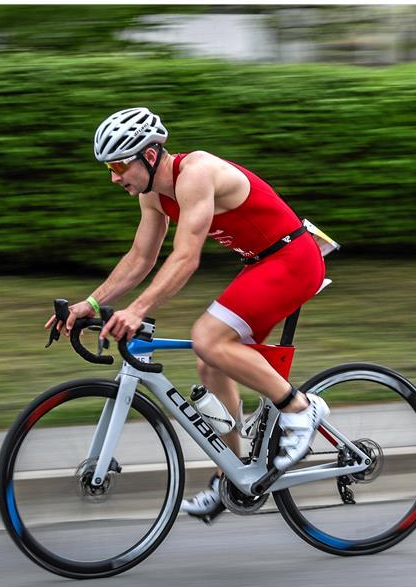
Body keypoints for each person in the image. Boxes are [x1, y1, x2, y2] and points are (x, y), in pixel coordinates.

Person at [46, 107, 330, 523]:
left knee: (208, 337)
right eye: (110, 167)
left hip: (292, 259)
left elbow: (186, 257)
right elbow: (141, 258)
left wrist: (138, 309)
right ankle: (233, 475)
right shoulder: (152, 195)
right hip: (261, 264)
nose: (114, 176)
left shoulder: (195, 172)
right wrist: (90, 303)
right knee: (210, 363)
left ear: (149, 154)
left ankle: (299, 408)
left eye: (120, 164)